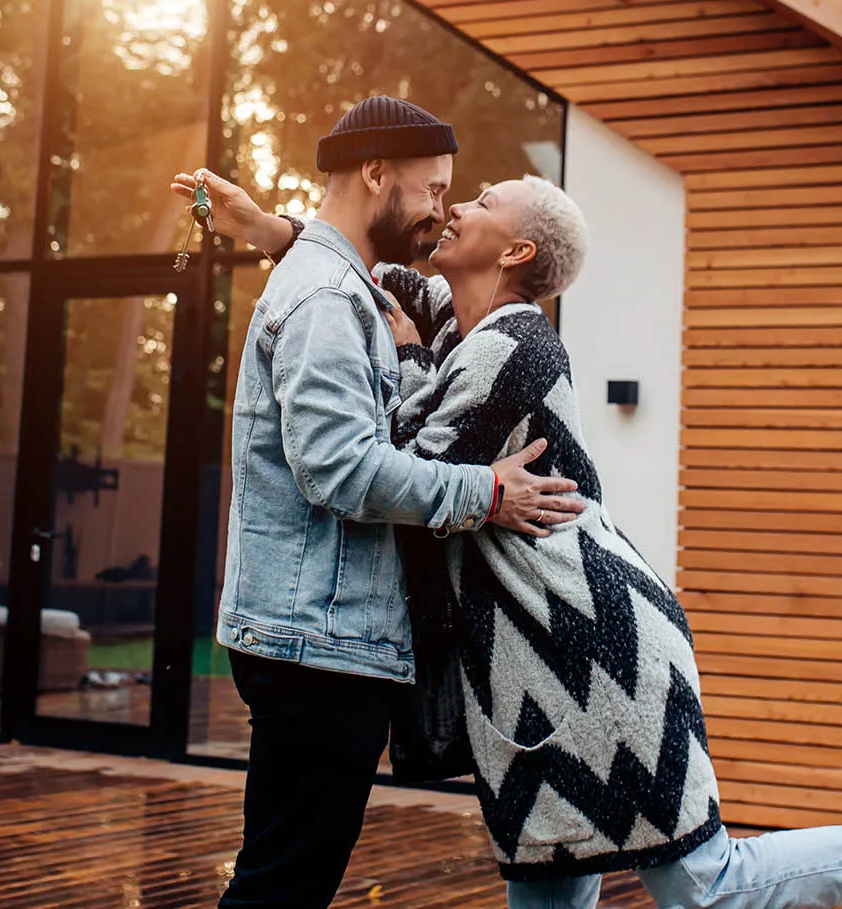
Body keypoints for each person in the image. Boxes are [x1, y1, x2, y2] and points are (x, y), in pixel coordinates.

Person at [186, 163, 842, 909]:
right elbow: (383, 274)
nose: (456, 206)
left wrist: (404, 362)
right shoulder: (463, 324)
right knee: (547, 886)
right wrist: (270, 229)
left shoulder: (515, 345)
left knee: (705, 884)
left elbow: (405, 462)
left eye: (480, 200)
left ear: (514, 252)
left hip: (593, 650)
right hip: (522, 669)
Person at [206, 97, 588, 909]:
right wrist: (489, 490)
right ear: (377, 173)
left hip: (319, 635)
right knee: (281, 886)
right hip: (317, 641)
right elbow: (343, 471)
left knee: (283, 878)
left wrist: (267, 227)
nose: (442, 210)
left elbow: (404, 285)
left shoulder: (344, 283)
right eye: (435, 188)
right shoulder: (326, 300)